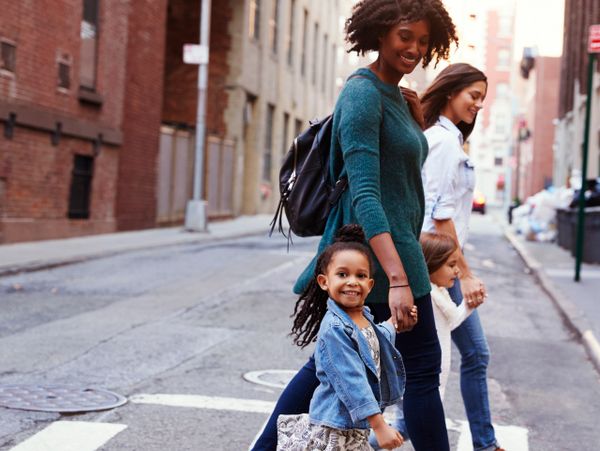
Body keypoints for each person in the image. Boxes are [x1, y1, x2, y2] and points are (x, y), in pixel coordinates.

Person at [251, 1, 459, 450]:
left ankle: (263, 447)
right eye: (406, 36)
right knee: (419, 369)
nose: (415, 48)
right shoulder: (363, 94)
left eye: (424, 41)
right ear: (380, 32)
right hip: (377, 263)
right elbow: (366, 195)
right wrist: (398, 279)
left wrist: (416, 121)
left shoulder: (398, 98)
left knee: (331, 366)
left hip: (395, 255)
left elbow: (401, 183)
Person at [420, 63, 504, 451]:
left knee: (459, 358)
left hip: (441, 263)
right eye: (474, 95)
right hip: (438, 265)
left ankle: (484, 444)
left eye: (482, 99)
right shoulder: (442, 142)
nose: (478, 105)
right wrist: (464, 274)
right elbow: (439, 212)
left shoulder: (448, 141)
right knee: (460, 359)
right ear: (452, 92)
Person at [277, 224, 415, 450]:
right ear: (324, 282)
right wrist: (380, 426)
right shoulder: (334, 329)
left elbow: (373, 339)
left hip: (354, 427)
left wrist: (394, 323)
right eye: (342, 274)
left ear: (370, 285)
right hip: (335, 428)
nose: (352, 281)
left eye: (360, 276)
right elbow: (352, 380)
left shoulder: (362, 317)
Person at [420, 231, 483, 399]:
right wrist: (469, 305)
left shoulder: (438, 292)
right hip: (430, 378)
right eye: (451, 265)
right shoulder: (431, 297)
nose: (457, 271)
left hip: (434, 376)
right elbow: (452, 318)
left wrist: (470, 305)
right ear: (432, 264)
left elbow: (450, 321)